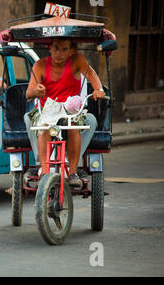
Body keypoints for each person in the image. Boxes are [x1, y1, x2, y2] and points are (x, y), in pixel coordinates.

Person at [25, 38, 106, 187]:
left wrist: (98, 90)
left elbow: (92, 75)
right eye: (55, 48)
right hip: (48, 109)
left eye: (64, 50)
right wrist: (36, 91)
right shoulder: (40, 65)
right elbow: (28, 93)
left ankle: (73, 172)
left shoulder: (77, 60)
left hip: (70, 110)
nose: (59, 53)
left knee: (73, 125)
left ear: (71, 51)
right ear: (49, 48)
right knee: (43, 127)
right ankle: (44, 171)